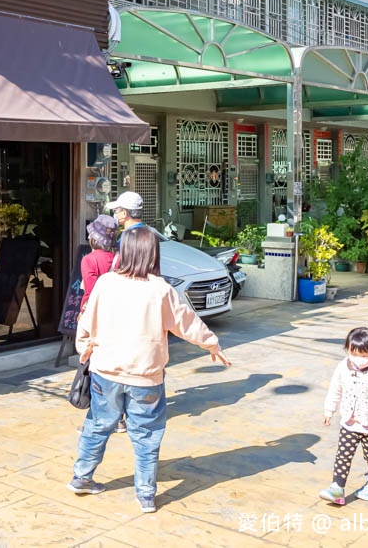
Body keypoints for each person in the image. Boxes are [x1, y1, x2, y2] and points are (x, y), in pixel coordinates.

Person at [68, 226, 231, 514]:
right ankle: (145, 495)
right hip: (146, 377)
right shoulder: (161, 290)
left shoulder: (106, 283)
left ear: (124, 253)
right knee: (146, 434)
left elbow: (86, 322)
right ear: (152, 255)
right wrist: (212, 345)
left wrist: (85, 350)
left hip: (105, 373)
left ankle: (82, 477)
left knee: (97, 425)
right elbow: (187, 323)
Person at [320, 326, 368, 506]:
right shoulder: (343, 367)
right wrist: (329, 410)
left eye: (364, 356)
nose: (359, 360)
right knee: (342, 456)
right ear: (347, 349)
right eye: (354, 354)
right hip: (349, 423)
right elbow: (335, 389)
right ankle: (337, 488)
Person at [78, 214, 126, 435]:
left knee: (98, 368)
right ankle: (121, 418)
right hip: (122, 317)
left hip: (99, 319)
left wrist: (82, 316)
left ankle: (102, 419)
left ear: (93, 238)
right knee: (119, 367)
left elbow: (90, 292)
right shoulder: (121, 258)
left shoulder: (89, 260)